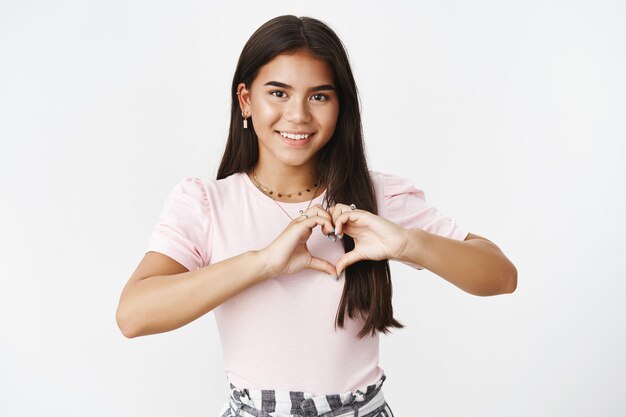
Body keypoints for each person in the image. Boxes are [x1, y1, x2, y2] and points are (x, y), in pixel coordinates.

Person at [115, 15, 517, 417]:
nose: (298, 116)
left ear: (340, 106)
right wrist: (264, 262)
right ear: (246, 99)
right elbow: (133, 316)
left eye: (319, 96)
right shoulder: (206, 203)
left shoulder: (376, 197)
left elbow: (501, 275)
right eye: (279, 93)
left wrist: (407, 243)